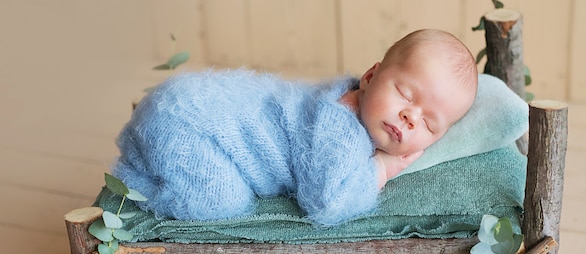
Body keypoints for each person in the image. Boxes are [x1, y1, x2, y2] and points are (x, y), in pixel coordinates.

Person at [113, 29, 478, 226]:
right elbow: (328, 204)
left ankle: (144, 153)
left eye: (429, 124)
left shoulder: (348, 97)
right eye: (404, 93)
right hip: (191, 127)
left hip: (185, 103)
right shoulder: (341, 129)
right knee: (223, 201)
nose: (411, 117)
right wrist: (380, 168)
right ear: (370, 76)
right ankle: (138, 180)